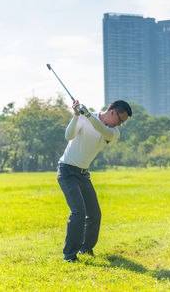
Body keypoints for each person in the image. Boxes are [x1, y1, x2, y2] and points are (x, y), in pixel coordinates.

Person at [57, 100, 132, 262]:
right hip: (67, 171)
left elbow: (102, 129)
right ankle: (69, 255)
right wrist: (76, 116)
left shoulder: (113, 132)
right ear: (113, 112)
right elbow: (68, 136)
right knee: (78, 212)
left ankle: (86, 249)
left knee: (94, 214)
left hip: (83, 174)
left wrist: (88, 115)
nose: (119, 125)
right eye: (120, 120)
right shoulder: (84, 118)